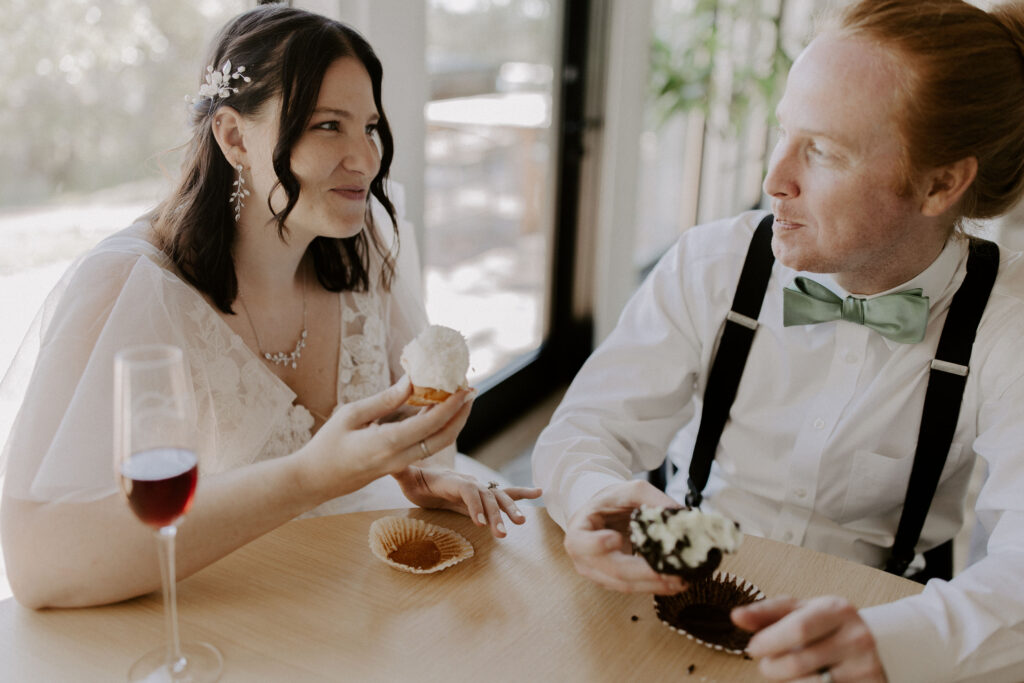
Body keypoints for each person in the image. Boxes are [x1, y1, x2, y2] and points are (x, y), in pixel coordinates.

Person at [533, 1, 1024, 681]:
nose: (773, 180)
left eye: (821, 151)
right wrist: (590, 495)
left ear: (941, 183)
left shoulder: (1010, 325)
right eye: (783, 132)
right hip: (671, 599)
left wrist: (897, 640)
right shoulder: (711, 264)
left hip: (873, 637)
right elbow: (581, 432)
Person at [0, 5, 540, 610]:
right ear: (234, 137)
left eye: (370, 127)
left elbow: (404, 433)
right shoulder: (128, 288)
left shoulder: (365, 250)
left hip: (365, 591)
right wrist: (308, 477)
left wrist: (416, 470)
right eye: (328, 125)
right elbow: (37, 567)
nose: (366, 158)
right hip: (225, 612)